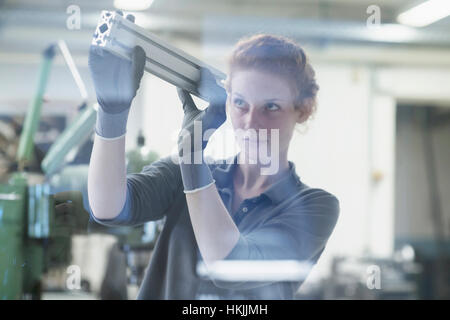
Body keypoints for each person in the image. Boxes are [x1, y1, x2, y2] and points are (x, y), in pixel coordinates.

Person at [87, 12, 339, 300]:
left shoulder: (314, 207)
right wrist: (112, 112)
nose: (250, 121)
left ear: (302, 110)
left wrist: (193, 160)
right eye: (241, 102)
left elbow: (230, 264)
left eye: (270, 106)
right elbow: (108, 207)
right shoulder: (181, 172)